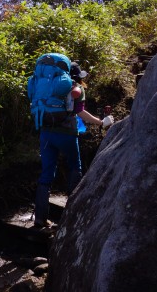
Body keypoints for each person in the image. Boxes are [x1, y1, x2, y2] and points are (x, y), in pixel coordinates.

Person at [33, 62, 113, 229]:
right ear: (77, 76)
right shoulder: (75, 88)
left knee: (47, 173)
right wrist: (101, 122)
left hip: (46, 133)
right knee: (75, 167)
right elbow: (79, 112)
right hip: (67, 135)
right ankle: (72, 215)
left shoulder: (46, 85)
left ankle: (40, 218)